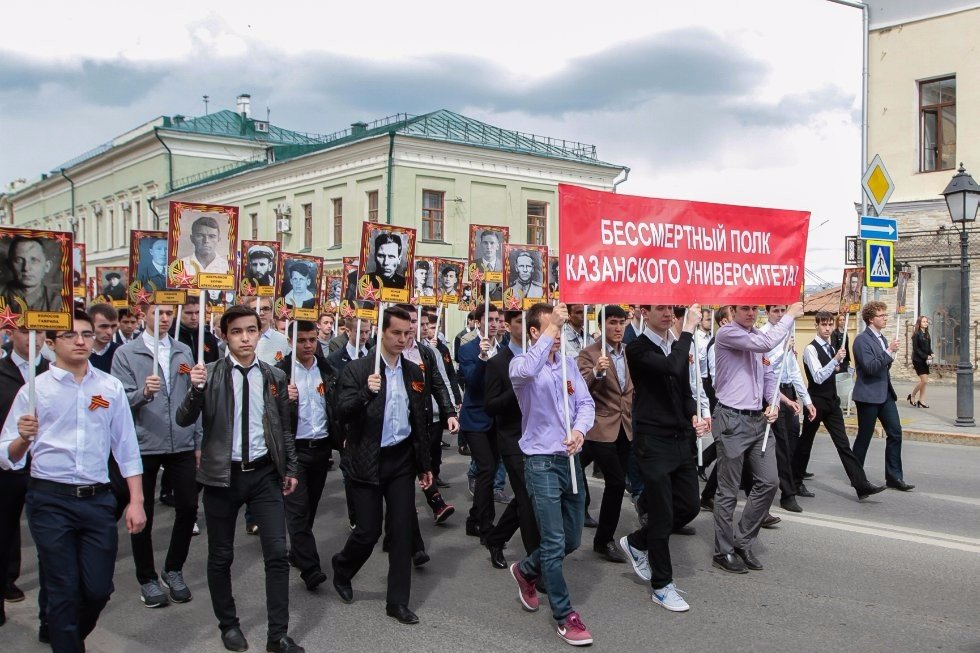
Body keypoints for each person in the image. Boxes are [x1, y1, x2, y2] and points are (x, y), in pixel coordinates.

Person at [0, 310, 146, 651]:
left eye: (86, 334)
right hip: (50, 499)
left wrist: (137, 500)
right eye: (70, 335)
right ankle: (66, 640)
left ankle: (66, 633)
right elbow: (7, 454)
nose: (80, 341)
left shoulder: (109, 387)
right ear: (51, 344)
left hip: (97, 500)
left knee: (98, 589)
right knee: (62, 588)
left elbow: (126, 447)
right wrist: (23, 437)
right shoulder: (35, 390)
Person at [176, 305, 303, 653]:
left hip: (263, 474)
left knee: (276, 553)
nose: (245, 338)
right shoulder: (210, 373)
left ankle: (278, 635)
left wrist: (290, 468)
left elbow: (283, 427)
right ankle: (229, 625)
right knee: (221, 556)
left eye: (251, 330)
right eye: (236, 331)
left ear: (259, 333)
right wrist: (195, 389)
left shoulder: (274, 376)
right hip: (222, 476)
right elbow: (183, 419)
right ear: (224, 336)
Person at [331, 306, 432, 626]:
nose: (402, 339)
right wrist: (365, 392)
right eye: (396, 333)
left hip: (401, 459)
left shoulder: (413, 372)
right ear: (382, 332)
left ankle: (397, 602)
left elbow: (419, 421)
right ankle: (343, 567)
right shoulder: (359, 370)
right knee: (368, 531)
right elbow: (340, 412)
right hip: (366, 458)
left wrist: (424, 464)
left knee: (401, 531)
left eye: (407, 333)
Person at [508, 302, 595, 647]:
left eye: (560, 329)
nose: (558, 335)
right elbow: (527, 371)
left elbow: (585, 404)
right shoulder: (521, 365)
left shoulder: (569, 365)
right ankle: (564, 614)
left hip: (569, 459)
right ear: (534, 332)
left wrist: (580, 431)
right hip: (541, 460)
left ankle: (526, 570)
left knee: (571, 539)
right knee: (555, 541)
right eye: (551, 329)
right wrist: (551, 329)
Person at [618, 304, 707, 612]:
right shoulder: (638, 348)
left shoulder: (675, 344)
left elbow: (684, 391)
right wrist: (689, 331)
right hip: (653, 440)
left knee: (689, 506)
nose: (668, 313)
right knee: (662, 514)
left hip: (680, 437)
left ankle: (637, 542)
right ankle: (661, 585)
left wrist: (694, 415)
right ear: (644, 312)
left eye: (670, 308)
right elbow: (671, 367)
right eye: (660, 308)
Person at [112, 303, 201, 608]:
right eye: (157, 313)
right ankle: (147, 578)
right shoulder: (126, 353)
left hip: (182, 442)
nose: (164, 319)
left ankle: (173, 569)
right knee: (143, 514)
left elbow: (193, 397)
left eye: (168, 314)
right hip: (144, 443)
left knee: (188, 506)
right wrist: (143, 393)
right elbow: (118, 401)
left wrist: (198, 439)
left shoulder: (182, 351)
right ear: (143, 315)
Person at [710, 302, 803, 574]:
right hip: (731, 419)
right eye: (745, 308)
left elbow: (769, 374)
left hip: (758, 421)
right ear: (733, 311)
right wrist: (790, 315)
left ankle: (743, 540)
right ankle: (723, 551)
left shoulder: (757, 338)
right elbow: (766, 344)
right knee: (728, 491)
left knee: (770, 481)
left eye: (754, 308)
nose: (751, 313)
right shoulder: (728, 333)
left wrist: (773, 403)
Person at [793, 311, 886, 501]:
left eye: (830, 325)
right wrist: (834, 361)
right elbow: (818, 377)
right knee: (806, 442)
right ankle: (795, 482)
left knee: (843, 444)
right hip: (816, 402)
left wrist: (838, 365)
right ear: (816, 326)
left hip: (832, 401)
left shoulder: (831, 347)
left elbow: (833, 370)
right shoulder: (810, 349)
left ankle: (861, 485)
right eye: (823, 325)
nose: (827, 328)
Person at [276, 321, 338, 592]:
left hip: (321, 447)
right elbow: (267, 412)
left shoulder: (327, 370)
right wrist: (282, 398)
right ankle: (310, 567)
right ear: (291, 342)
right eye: (302, 340)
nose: (308, 345)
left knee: (310, 506)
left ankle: (297, 552)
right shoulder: (280, 372)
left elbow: (334, 405)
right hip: (294, 450)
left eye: (312, 339)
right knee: (297, 509)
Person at [577, 305, 633, 564]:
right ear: (601, 326)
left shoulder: (628, 352)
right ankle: (604, 540)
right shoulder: (590, 353)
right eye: (612, 322)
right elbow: (579, 387)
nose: (618, 328)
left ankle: (603, 540)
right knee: (617, 482)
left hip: (624, 427)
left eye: (622, 322)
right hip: (598, 427)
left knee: (578, 470)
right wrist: (596, 372)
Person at [483, 310, 539, 570]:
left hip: (539, 436)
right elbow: (490, 406)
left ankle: (496, 538)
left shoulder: (540, 357)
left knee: (527, 495)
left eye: (529, 322)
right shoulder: (498, 363)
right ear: (508, 326)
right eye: (520, 322)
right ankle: (534, 564)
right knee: (527, 498)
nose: (526, 327)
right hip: (513, 438)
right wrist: (516, 389)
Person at [0, 328, 48, 627]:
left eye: (41, 332)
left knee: (49, 539)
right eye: (27, 331)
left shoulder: (54, 372)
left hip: (44, 467)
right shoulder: (3, 371)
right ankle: (4, 581)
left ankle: (49, 615)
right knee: (4, 529)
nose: (35, 338)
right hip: (8, 463)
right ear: (11, 333)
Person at [851, 301, 914, 492]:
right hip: (868, 395)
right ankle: (856, 476)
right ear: (871, 319)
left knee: (895, 432)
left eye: (886, 315)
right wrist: (888, 352)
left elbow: (884, 366)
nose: (886, 318)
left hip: (885, 394)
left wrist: (890, 353)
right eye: (882, 315)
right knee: (865, 436)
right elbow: (870, 368)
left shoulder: (882, 339)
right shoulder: (861, 340)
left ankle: (894, 476)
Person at [760, 305, 815, 513]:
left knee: (792, 440)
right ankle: (787, 494)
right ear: (767, 313)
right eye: (775, 311)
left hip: (788, 391)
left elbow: (793, 370)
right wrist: (782, 351)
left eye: (783, 310)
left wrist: (806, 400)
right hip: (771, 393)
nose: (781, 315)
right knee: (780, 445)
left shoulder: (789, 333)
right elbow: (764, 369)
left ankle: (792, 482)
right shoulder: (763, 335)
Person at [458, 302, 504, 543]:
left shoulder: (504, 348)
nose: (494, 324)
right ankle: (485, 523)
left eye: (497, 320)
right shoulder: (468, 349)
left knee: (492, 468)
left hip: (497, 419)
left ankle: (474, 519)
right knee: (485, 468)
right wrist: (482, 358)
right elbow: (472, 383)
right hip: (475, 419)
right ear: (478, 322)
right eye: (490, 320)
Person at [1, 236, 63, 312]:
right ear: (9, 265)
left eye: (34, 260)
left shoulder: (59, 301)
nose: (26, 268)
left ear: (47, 266)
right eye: (19, 260)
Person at [171, 295, 220, 364]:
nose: (194, 317)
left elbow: (215, 365)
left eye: (197, 312)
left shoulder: (208, 337)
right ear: (178, 312)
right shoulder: (170, 336)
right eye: (189, 313)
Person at [255, 296, 291, 365]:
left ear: (272, 312)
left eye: (266, 309)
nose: (261, 313)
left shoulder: (284, 340)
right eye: (256, 309)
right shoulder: (242, 339)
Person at [88, 304, 120, 373]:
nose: (109, 332)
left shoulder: (120, 352)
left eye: (113, 326)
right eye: (104, 326)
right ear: (90, 325)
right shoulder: (79, 352)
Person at [909, 316, 933, 408]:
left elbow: (928, 347)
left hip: (926, 360)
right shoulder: (916, 334)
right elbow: (916, 349)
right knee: (924, 380)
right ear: (919, 323)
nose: (926, 323)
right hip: (918, 360)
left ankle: (921, 401)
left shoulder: (927, 334)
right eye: (923, 321)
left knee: (924, 382)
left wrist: (931, 353)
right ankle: (912, 395)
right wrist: (925, 356)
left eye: (926, 321)